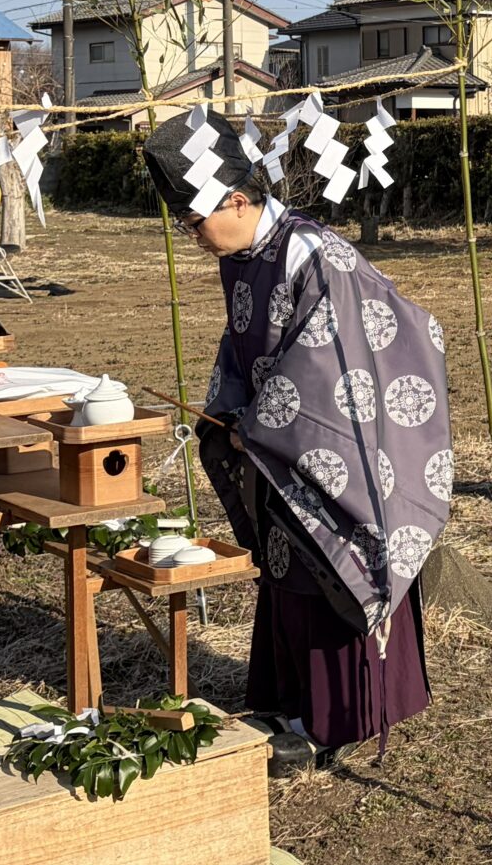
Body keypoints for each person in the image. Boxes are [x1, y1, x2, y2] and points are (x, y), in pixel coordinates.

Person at [144, 107, 453, 770]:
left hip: (342, 443)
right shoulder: (245, 256)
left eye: (193, 221)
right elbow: (242, 345)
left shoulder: (317, 257)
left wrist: (262, 422)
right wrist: (228, 415)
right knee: (285, 566)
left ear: (234, 198)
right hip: (276, 443)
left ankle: (336, 719)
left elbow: (334, 366)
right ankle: (288, 701)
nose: (190, 236)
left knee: (330, 566)